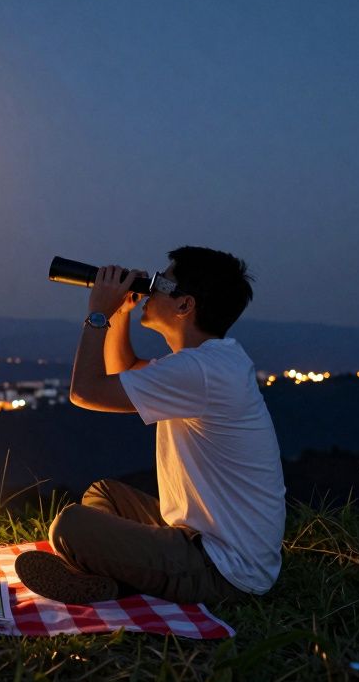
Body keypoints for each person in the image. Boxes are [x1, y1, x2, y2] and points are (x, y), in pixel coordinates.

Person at [16, 246, 285, 605]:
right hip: (200, 537)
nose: (150, 290)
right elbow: (123, 371)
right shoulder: (209, 362)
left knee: (71, 526)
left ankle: (112, 576)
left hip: (224, 570)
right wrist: (120, 313)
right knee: (105, 493)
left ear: (184, 305)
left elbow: (85, 391)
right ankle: (111, 576)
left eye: (160, 282)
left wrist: (99, 313)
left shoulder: (200, 371)